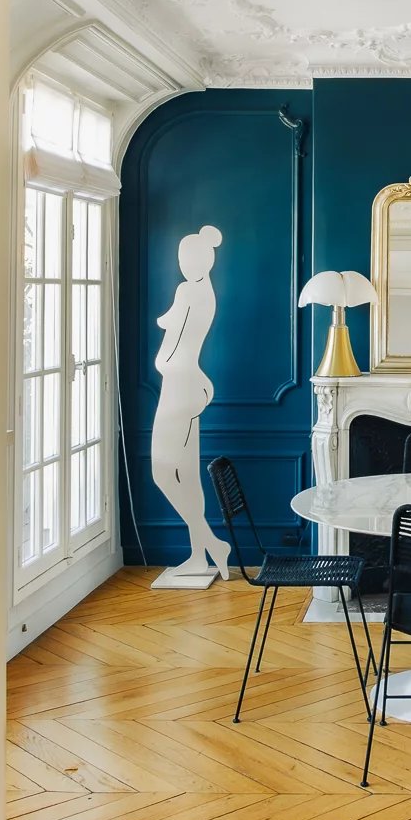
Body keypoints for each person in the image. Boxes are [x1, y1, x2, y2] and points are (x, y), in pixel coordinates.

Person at [151, 225, 230, 581]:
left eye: (186, 258)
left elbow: (172, 338)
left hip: (179, 387)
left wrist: (162, 360)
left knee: (161, 472)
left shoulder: (186, 291)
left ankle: (210, 543)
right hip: (191, 383)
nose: (182, 265)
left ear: (200, 261)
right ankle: (201, 553)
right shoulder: (206, 292)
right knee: (186, 473)